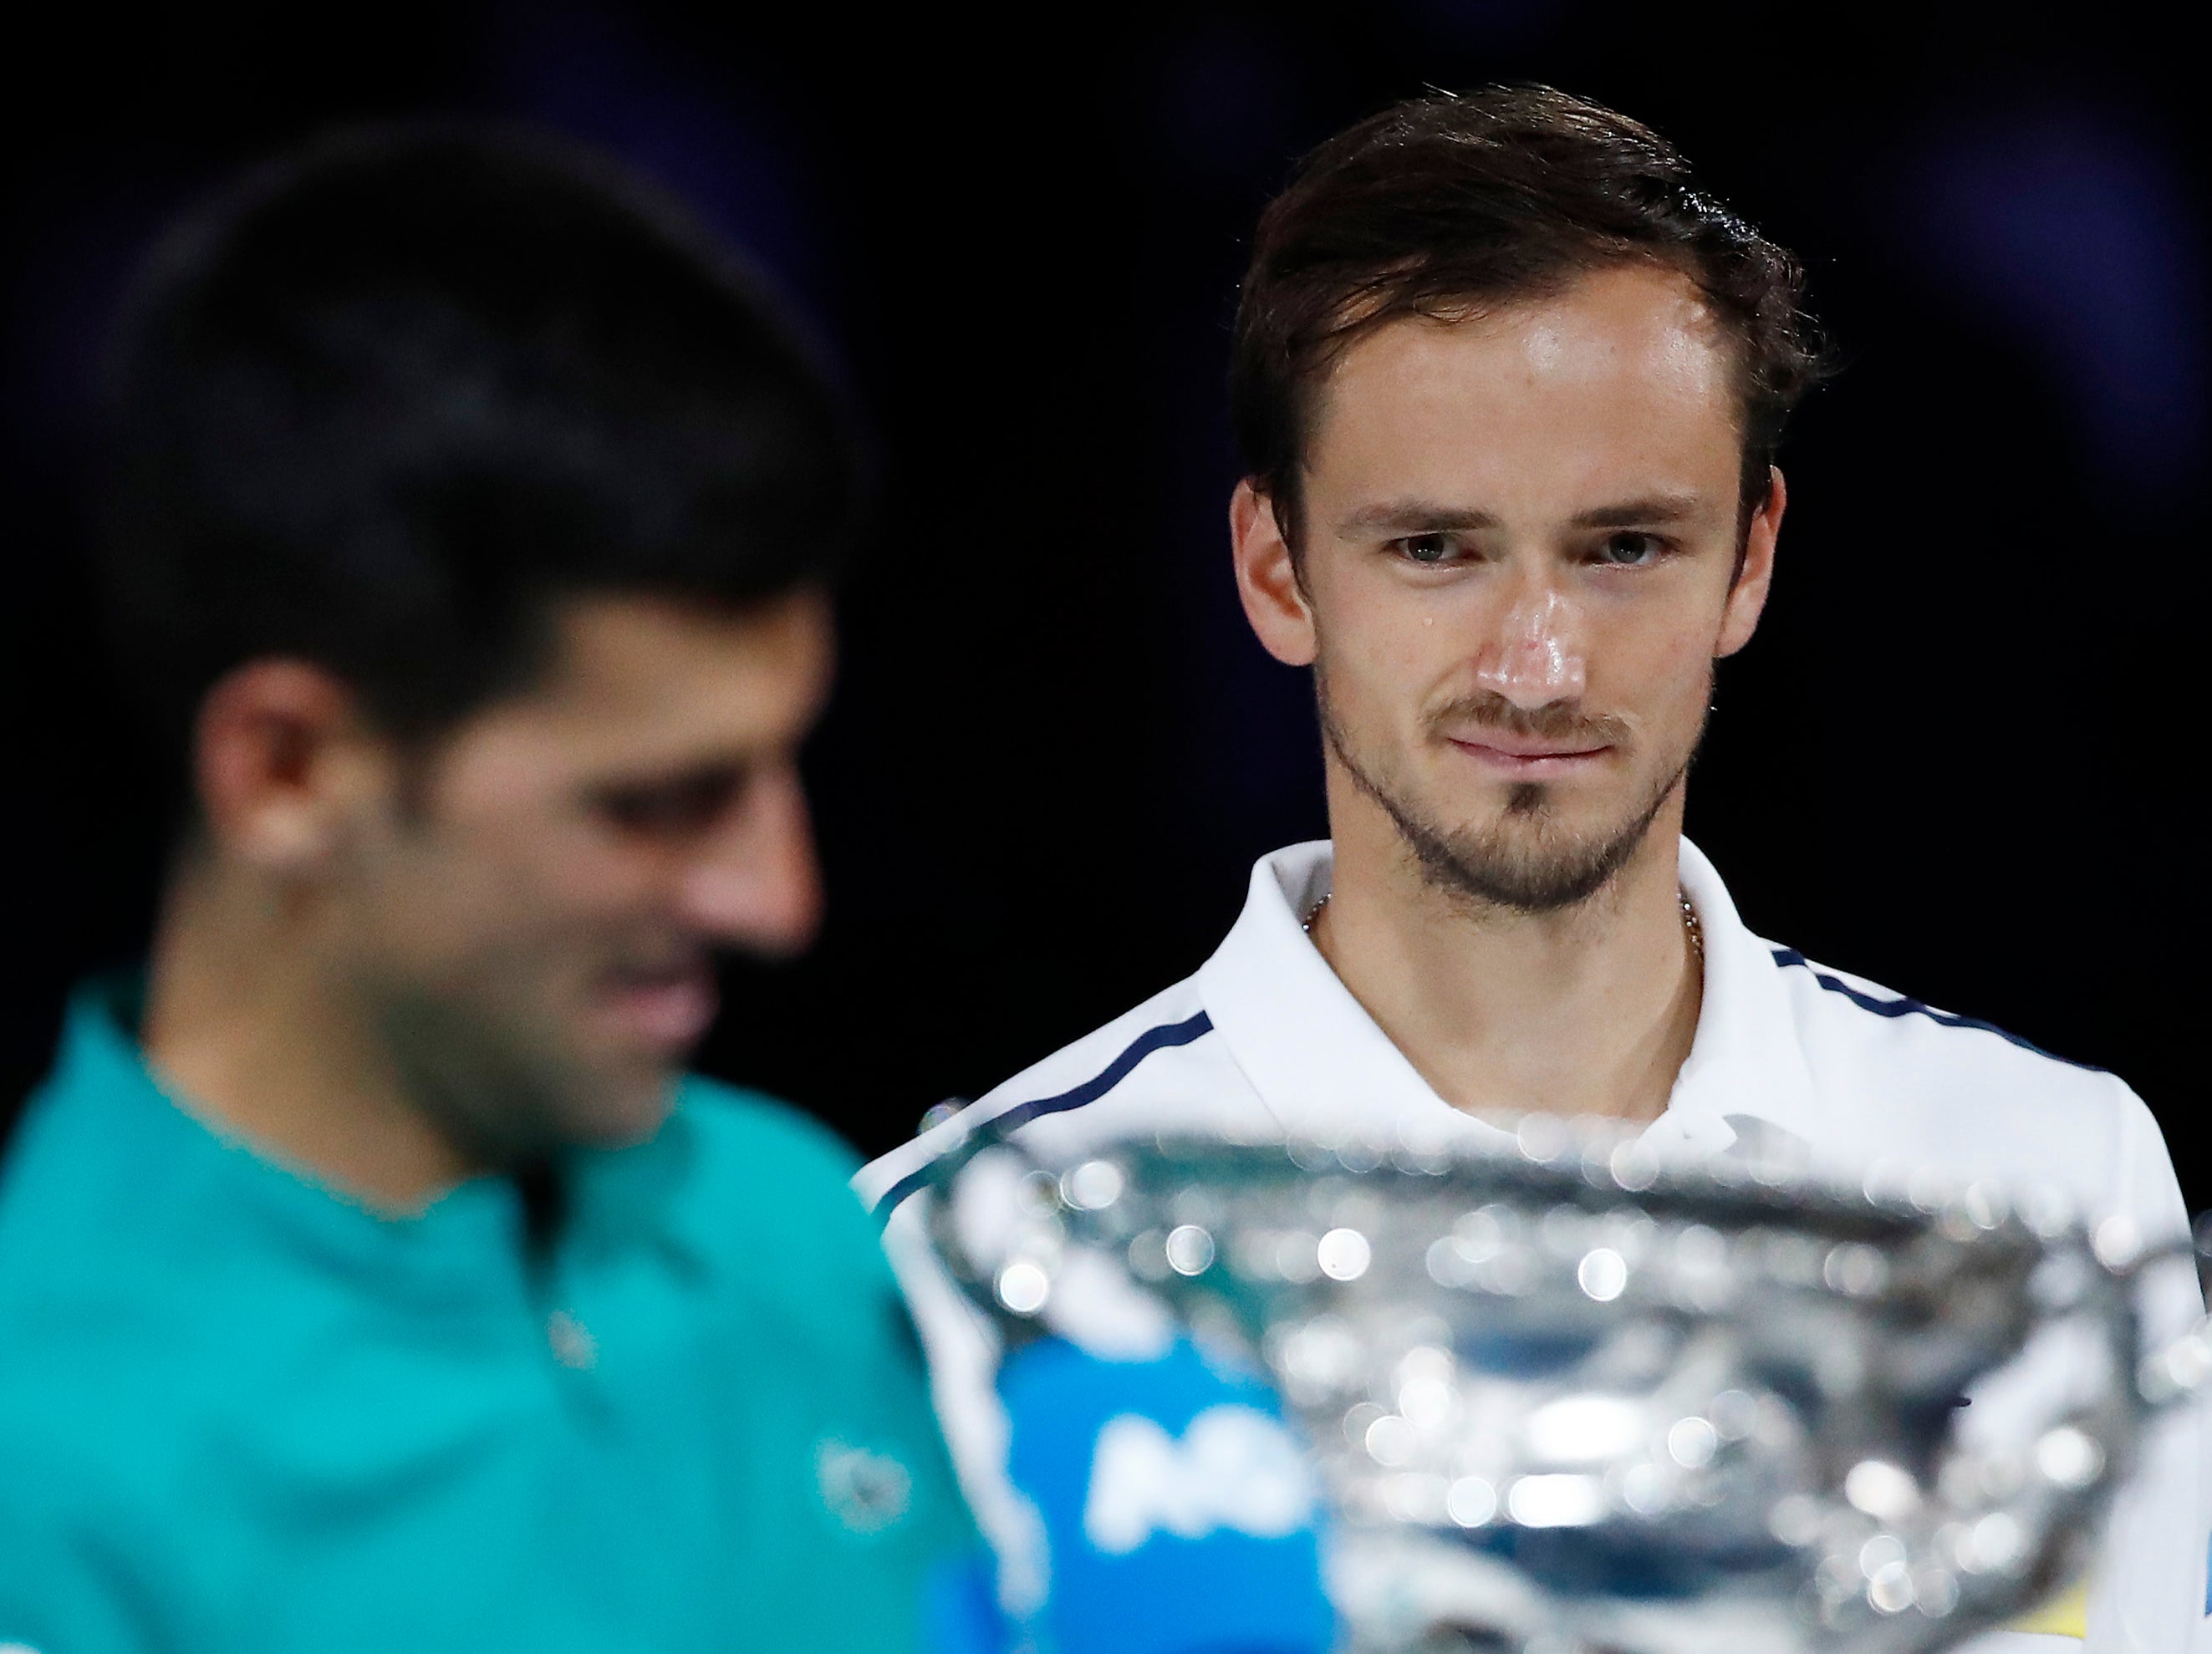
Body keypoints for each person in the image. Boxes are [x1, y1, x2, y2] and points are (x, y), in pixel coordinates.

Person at [859, 87, 2204, 1653]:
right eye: (1433, 549)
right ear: (1275, 568)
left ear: (1749, 560)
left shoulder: (2050, 1184)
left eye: (1623, 545)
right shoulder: (954, 1262)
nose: (1539, 663)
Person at [0, 124, 977, 1654]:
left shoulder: (795, 1223)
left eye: (787, 769)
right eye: (657, 802)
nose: (776, 902)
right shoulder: (41, 1465)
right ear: (290, 772)